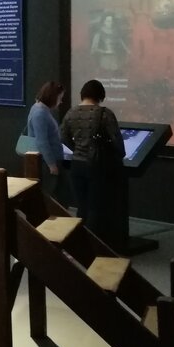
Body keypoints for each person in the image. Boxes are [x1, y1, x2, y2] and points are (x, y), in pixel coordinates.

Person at [60, 79, 125, 240]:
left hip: (76, 165)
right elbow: (116, 140)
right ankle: (95, 244)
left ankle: (80, 242)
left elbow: (63, 137)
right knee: (96, 207)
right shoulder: (105, 114)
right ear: (100, 95)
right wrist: (118, 155)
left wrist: (77, 148)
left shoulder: (71, 113)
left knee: (82, 207)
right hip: (97, 165)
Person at [26, 81, 65, 197]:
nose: (61, 101)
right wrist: (51, 164)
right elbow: (42, 142)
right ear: (53, 97)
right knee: (48, 195)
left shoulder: (38, 109)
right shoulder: (40, 113)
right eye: (60, 98)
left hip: (45, 161)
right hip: (46, 163)